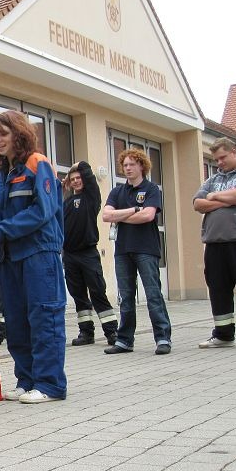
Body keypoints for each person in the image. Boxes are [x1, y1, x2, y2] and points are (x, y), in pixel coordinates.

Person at [0, 110, 66, 404]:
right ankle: (26, 380)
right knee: (17, 320)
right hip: (10, 257)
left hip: (39, 253)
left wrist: (3, 229)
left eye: (3, 133)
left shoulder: (37, 164)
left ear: (18, 134)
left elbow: (42, 211)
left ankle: (51, 384)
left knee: (44, 317)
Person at [103, 148, 171, 355]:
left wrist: (120, 215)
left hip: (146, 249)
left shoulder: (151, 190)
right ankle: (124, 340)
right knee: (126, 296)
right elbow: (106, 216)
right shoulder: (117, 192)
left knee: (153, 294)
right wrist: (133, 210)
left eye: (132, 164)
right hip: (123, 250)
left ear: (142, 166)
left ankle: (162, 338)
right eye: (125, 165)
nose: (128, 168)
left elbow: (148, 216)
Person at [62, 161, 118, 346]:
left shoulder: (91, 197)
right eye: (73, 179)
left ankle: (112, 333)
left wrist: (77, 165)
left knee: (97, 292)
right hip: (69, 255)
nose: (76, 181)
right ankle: (86, 333)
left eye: (79, 178)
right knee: (78, 295)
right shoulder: (66, 202)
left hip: (88, 254)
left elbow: (87, 172)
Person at [192, 137, 236, 348]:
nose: (219, 163)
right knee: (218, 288)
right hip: (214, 243)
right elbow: (197, 203)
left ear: (234, 151)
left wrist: (213, 197)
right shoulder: (212, 179)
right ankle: (223, 335)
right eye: (216, 159)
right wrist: (224, 199)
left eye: (223, 157)